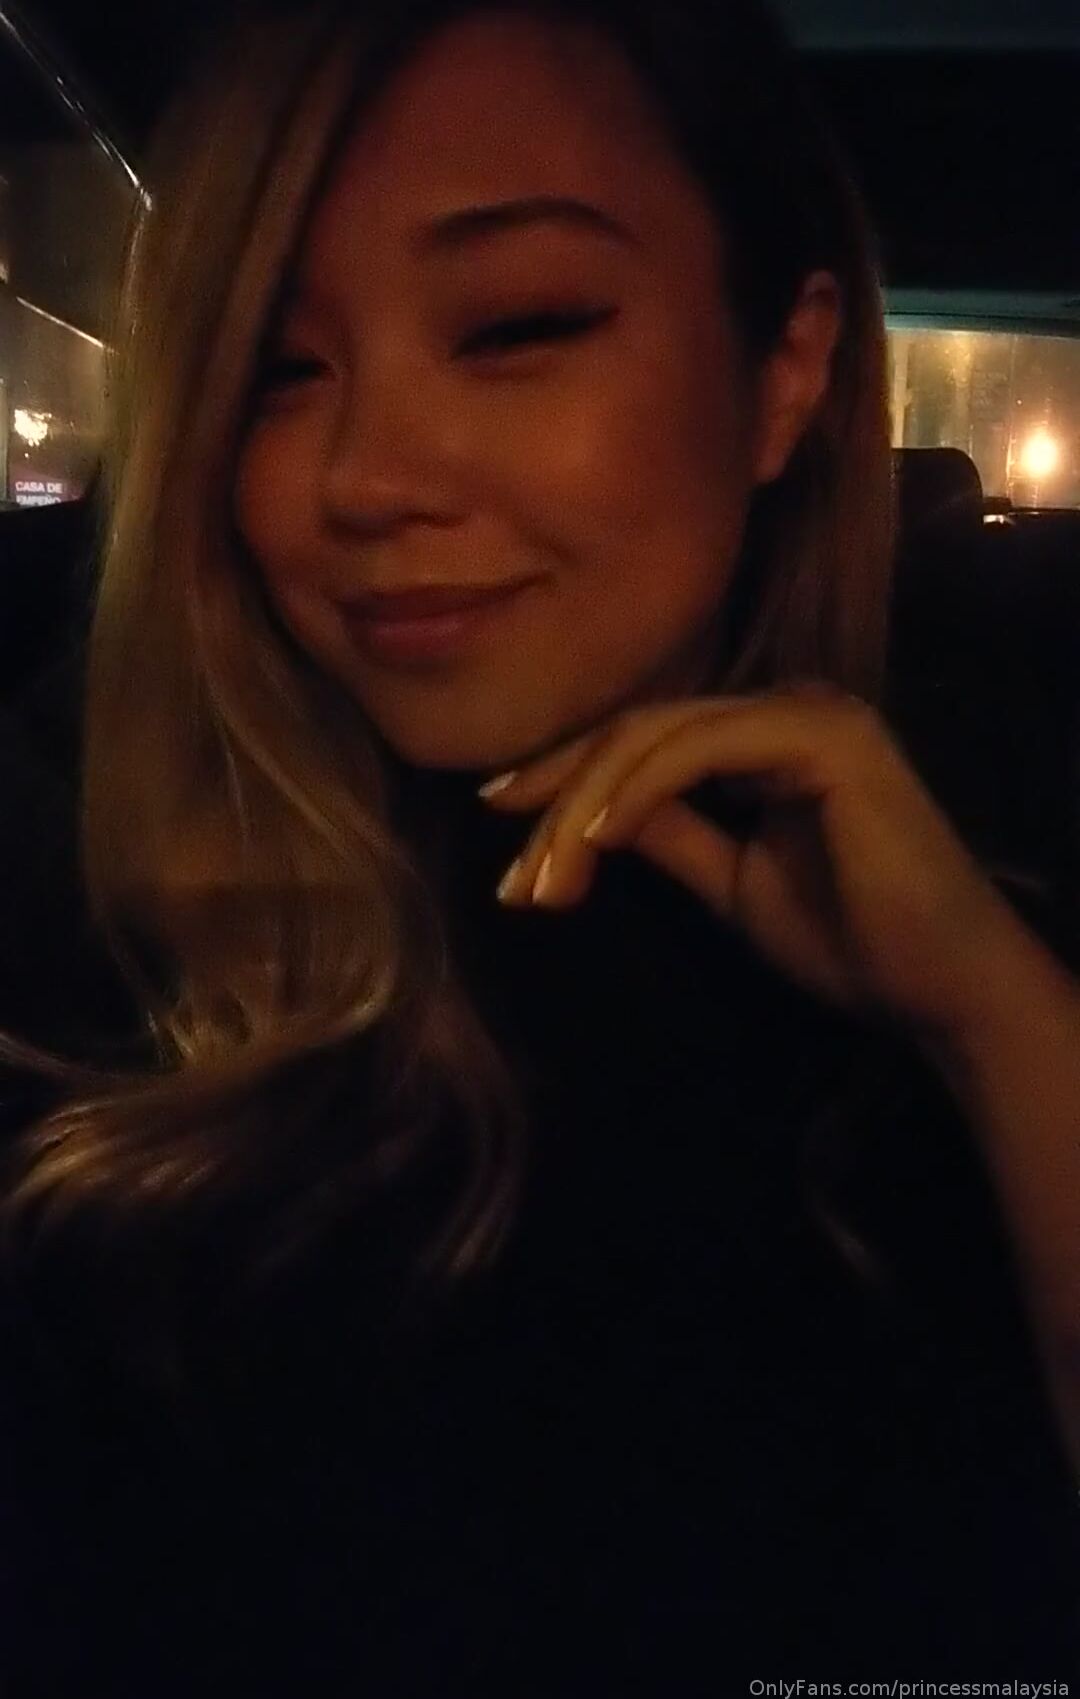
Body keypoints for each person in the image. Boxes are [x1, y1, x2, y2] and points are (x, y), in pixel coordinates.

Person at [0, 0, 1078, 1691]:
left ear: (785, 374)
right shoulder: (80, 951)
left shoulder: (1013, 861)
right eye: (279, 367)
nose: (363, 479)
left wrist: (998, 1019)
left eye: (515, 327)